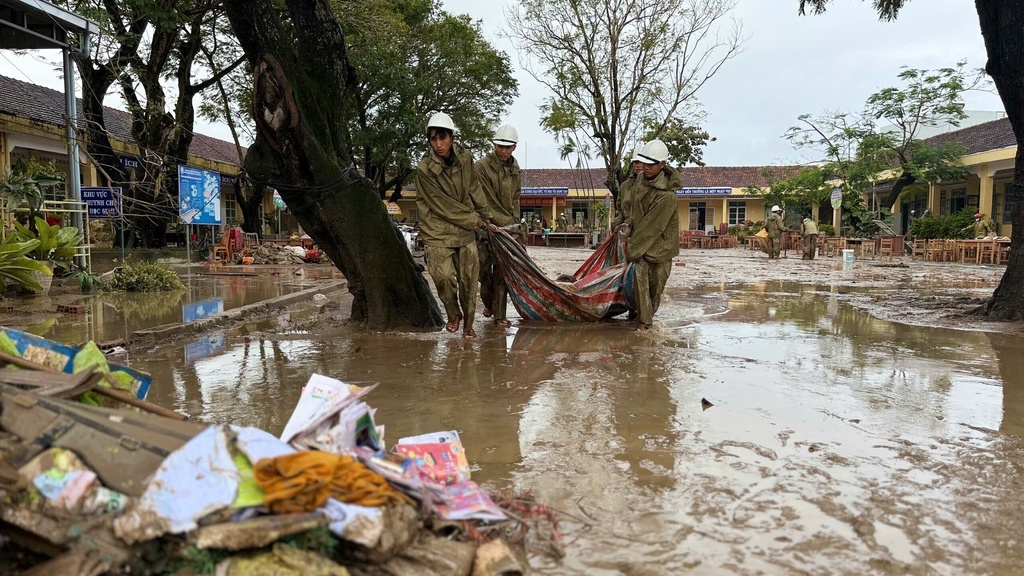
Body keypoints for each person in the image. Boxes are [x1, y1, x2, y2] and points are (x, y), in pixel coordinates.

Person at [415, 112, 492, 339]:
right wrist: (474, 220)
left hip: (464, 230)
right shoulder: (424, 169)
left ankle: (468, 326)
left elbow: (474, 187)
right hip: (437, 229)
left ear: (452, 137)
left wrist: (486, 217)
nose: (438, 144)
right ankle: (453, 314)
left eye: (442, 138)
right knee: (443, 278)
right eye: (433, 139)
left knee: (469, 277)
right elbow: (442, 206)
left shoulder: (466, 158)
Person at [625, 139, 681, 332]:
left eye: (650, 165)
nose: (645, 168)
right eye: (643, 163)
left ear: (662, 165)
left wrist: (631, 250)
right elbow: (634, 211)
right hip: (641, 243)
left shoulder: (667, 196)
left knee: (655, 290)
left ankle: (646, 318)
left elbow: (652, 227)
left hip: (661, 248)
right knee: (640, 283)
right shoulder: (640, 180)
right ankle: (644, 324)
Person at [474, 123, 522, 328]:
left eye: (508, 147)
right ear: (494, 145)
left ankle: (499, 315)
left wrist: (516, 225)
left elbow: (516, 198)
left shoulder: (515, 169)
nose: (503, 150)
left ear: (514, 147)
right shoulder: (481, 167)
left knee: (502, 274)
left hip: (508, 229)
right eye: (500, 146)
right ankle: (490, 305)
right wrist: (486, 222)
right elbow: (478, 198)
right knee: (483, 275)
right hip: (485, 228)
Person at [612, 146, 645, 230]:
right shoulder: (625, 186)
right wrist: (616, 224)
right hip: (628, 231)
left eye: (641, 162)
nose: (638, 166)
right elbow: (620, 211)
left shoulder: (654, 186)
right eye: (636, 162)